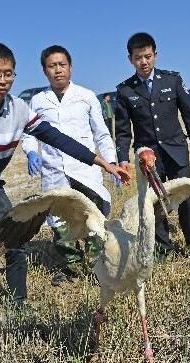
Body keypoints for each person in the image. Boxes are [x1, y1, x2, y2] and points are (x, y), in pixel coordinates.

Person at [0, 42, 129, 345]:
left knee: (17, 241)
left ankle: (17, 306)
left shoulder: (20, 110)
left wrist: (101, 161)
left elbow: (57, 138)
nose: (2, 80)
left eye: (8, 74)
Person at [21, 45, 118, 285]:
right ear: (45, 71)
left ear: (70, 67)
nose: (58, 70)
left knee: (93, 215)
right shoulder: (37, 101)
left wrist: (111, 162)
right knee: (59, 219)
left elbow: (102, 134)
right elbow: (29, 133)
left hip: (85, 168)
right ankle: (70, 267)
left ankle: (97, 264)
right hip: (54, 168)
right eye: (52, 66)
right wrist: (32, 152)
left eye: (61, 65)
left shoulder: (86, 96)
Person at [115, 32, 190, 261]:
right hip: (148, 156)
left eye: (147, 56)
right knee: (153, 201)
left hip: (176, 150)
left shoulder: (172, 80)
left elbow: (189, 114)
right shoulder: (125, 90)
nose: (144, 62)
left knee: (187, 195)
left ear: (155, 55)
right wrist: (123, 158)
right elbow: (123, 129)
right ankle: (162, 246)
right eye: (138, 58)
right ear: (130, 59)